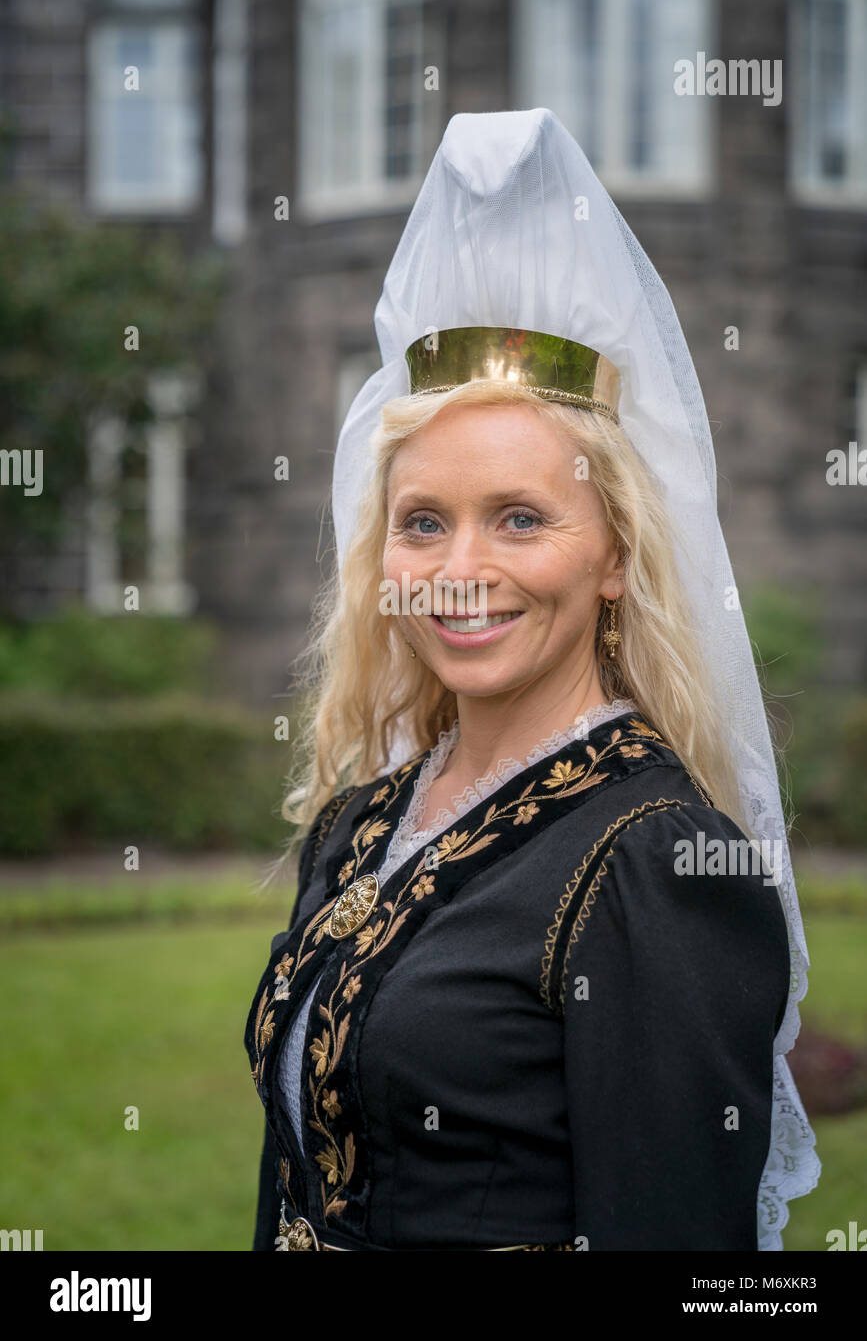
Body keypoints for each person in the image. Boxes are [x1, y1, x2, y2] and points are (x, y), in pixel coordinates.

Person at [244, 109, 820, 1252]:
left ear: (613, 555)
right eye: (423, 523)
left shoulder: (655, 863)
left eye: (519, 517)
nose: (460, 573)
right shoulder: (362, 824)